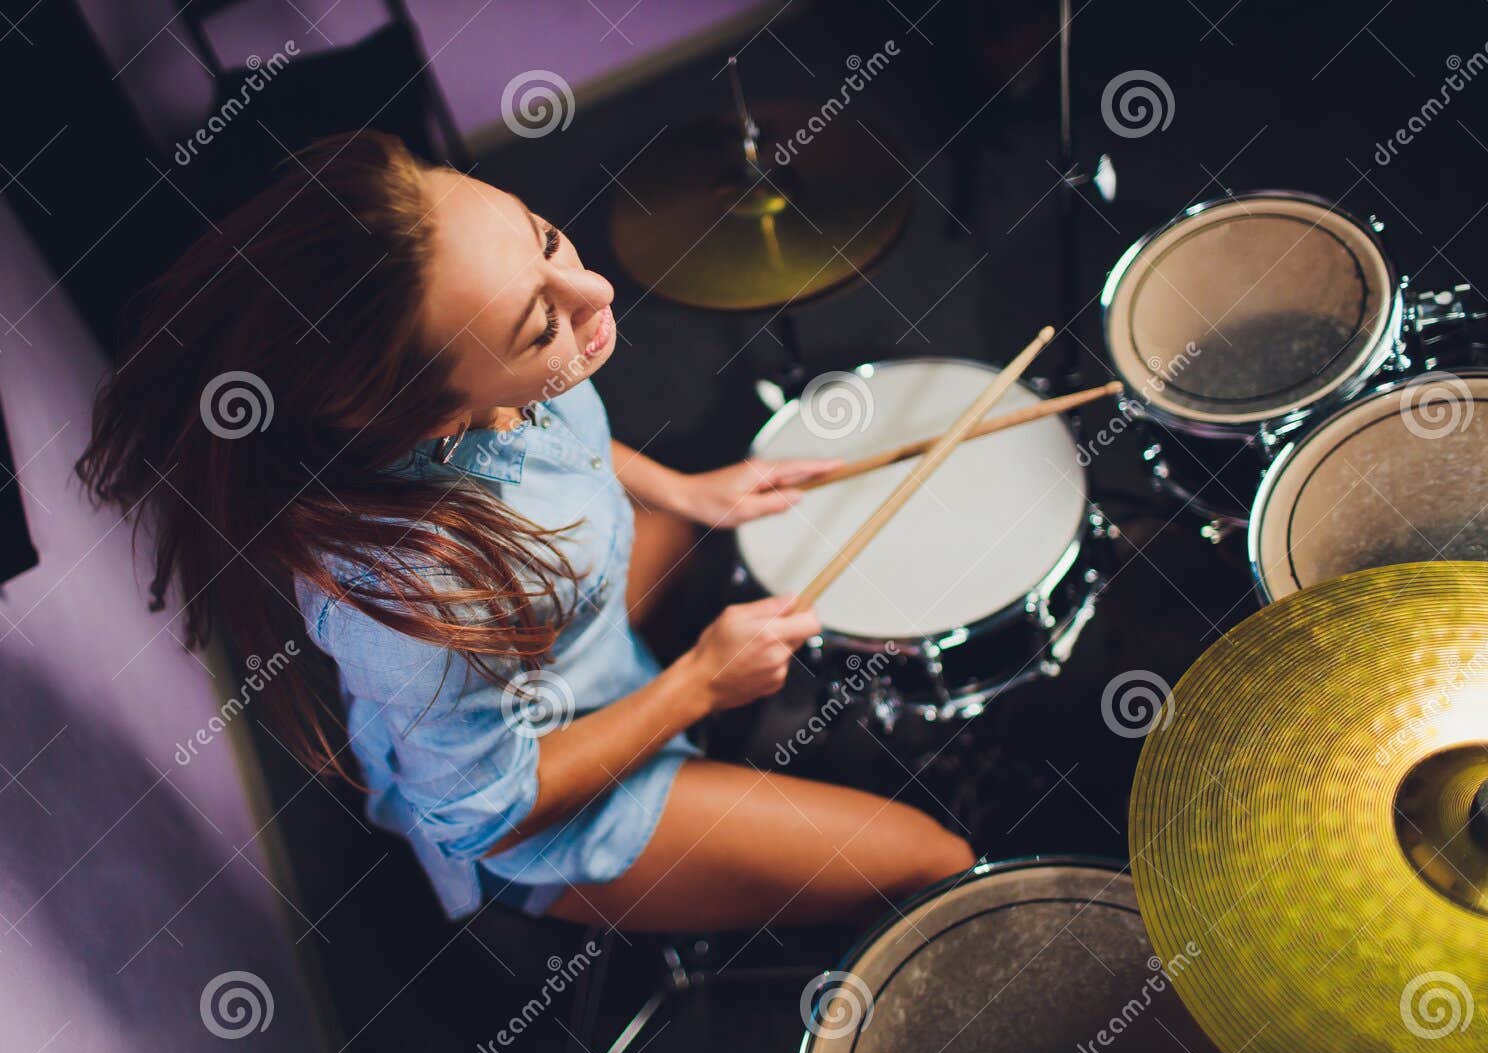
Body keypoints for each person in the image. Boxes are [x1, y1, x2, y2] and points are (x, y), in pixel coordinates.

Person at [76, 131, 973, 932]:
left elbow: (561, 440)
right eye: (542, 323)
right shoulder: (412, 596)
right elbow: (485, 810)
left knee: (691, 536)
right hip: (538, 809)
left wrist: (692, 492)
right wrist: (702, 680)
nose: (594, 292)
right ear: (429, 414)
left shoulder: (498, 377)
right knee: (939, 861)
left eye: (544, 237)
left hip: (557, 644)